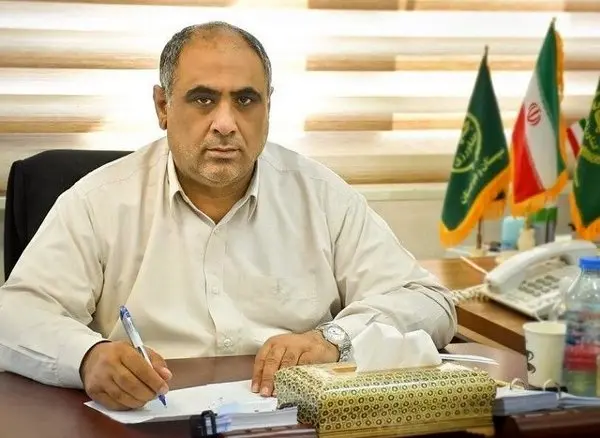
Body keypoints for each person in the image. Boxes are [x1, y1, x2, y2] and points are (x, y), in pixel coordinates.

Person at [0, 21, 457, 411]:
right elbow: (14, 315)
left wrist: (333, 340)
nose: (225, 123)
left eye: (245, 100)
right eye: (203, 99)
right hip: (150, 419)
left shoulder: (319, 195)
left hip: (289, 421)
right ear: (163, 106)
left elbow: (427, 301)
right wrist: (87, 356)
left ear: (268, 105)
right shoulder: (98, 200)